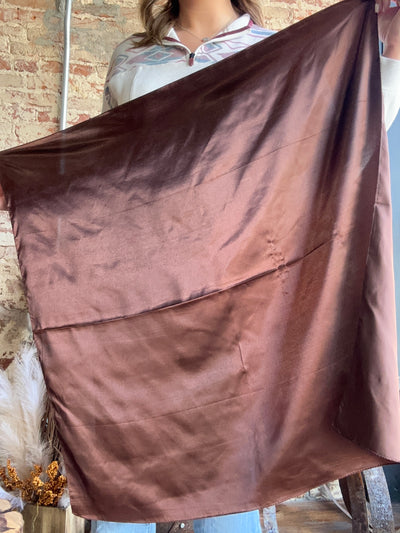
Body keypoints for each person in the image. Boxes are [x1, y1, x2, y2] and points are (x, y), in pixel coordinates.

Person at [91, 0, 400, 532]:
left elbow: (347, 137)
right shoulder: (132, 58)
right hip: (141, 300)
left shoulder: (277, 53)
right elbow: (105, 172)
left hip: (237, 301)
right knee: (124, 483)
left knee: (230, 488)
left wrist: (392, 52)